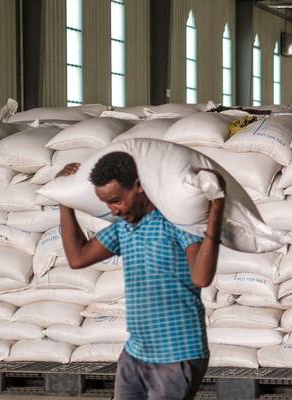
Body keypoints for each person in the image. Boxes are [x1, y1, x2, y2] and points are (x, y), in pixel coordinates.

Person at [55, 152, 224, 400]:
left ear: (139, 186)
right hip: (135, 353)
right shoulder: (124, 227)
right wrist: (64, 201)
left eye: (116, 200)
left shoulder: (176, 222)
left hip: (176, 354)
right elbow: (77, 258)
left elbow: (201, 278)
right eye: (107, 204)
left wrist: (217, 206)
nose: (113, 209)